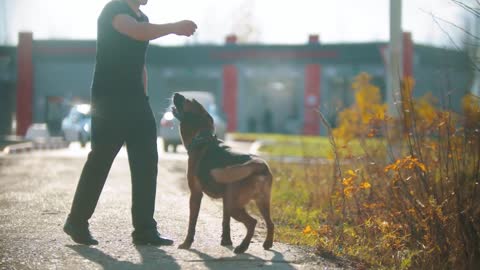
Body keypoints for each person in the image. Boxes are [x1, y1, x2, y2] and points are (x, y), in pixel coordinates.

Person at [63, 0, 197, 246]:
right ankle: (76, 222)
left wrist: (143, 96)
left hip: (137, 100)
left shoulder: (142, 18)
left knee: (147, 161)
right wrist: (174, 26)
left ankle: (145, 229)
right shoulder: (115, 10)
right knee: (101, 159)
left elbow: (140, 63)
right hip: (109, 100)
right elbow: (137, 32)